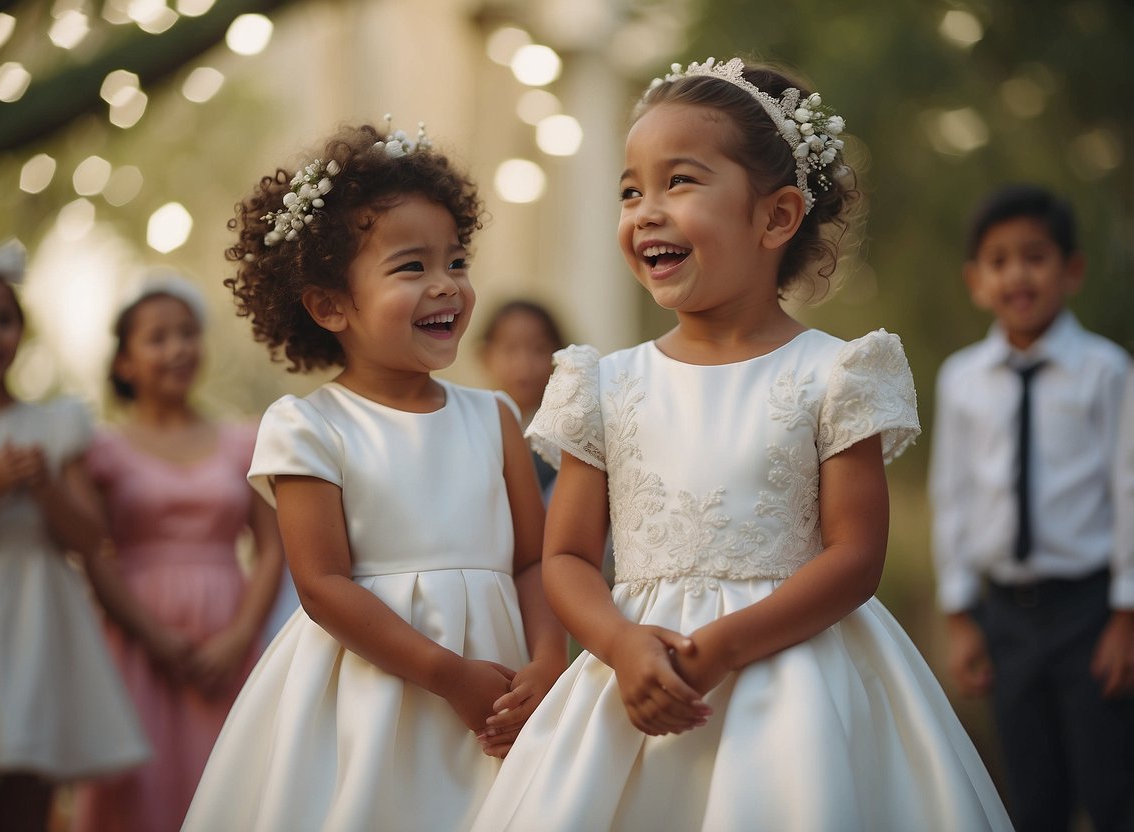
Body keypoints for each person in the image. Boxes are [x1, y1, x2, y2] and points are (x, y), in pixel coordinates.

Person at [472, 57, 1012, 831]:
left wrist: (722, 646)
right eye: (630, 190)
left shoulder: (835, 373)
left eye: (680, 182)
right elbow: (564, 557)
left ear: (776, 217)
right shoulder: (603, 383)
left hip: (795, 682)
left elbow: (854, 556)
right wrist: (619, 645)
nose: (646, 211)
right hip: (635, 676)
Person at [181, 119, 569, 832]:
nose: (446, 286)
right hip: (376, 691)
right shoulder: (308, 428)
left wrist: (547, 660)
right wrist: (448, 675)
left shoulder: (495, 418)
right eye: (411, 267)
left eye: (456, 261)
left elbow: (533, 559)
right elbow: (323, 586)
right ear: (331, 305)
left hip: (504, 685)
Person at [0, 240, 148, 832]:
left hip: (35, 622)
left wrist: (47, 488)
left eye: (3, 320)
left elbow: (90, 535)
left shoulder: (54, 426)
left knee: (27, 787)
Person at [929, 184, 1134, 832]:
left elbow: (1128, 489)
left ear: (1069, 270)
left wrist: (1126, 614)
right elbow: (952, 494)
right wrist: (959, 612)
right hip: (1006, 617)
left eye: (1034, 256)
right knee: (1029, 793)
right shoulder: (960, 380)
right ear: (975, 281)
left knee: (1110, 788)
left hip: (1089, 612)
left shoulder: (1104, 371)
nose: (1016, 274)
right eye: (997, 260)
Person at [72, 275, 285, 832]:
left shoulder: (244, 438)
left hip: (228, 628)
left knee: (229, 777)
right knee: (141, 791)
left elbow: (272, 548)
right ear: (124, 362)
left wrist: (239, 638)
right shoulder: (99, 449)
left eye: (188, 334)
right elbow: (92, 551)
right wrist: (155, 636)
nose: (178, 348)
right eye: (158, 337)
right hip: (137, 636)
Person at [479, 299, 566, 495]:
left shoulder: (569, 435)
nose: (523, 365)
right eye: (510, 349)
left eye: (538, 349)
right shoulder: (475, 428)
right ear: (484, 356)